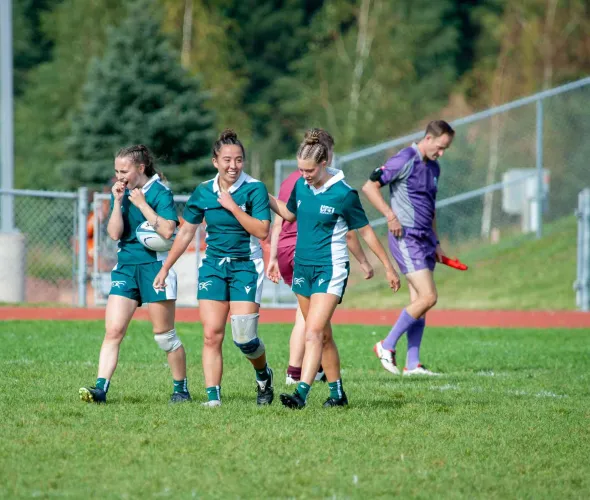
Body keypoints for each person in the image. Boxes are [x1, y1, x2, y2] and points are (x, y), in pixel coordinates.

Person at [269, 130, 401, 409]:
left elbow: (364, 232)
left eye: (310, 170)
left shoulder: (343, 194)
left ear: (325, 162)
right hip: (302, 269)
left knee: (313, 333)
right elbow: (290, 214)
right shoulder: (301, 187)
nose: (304, 175)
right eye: (301, 169)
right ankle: (337, 394)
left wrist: (387, 267)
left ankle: (301, 393)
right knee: (324, 335)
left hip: (330, 270)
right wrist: (264, 195)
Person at [153, 129, 274, 407]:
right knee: (211, 334)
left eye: (239, 160)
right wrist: (165, 267)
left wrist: (233, 207)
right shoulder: (204, 191)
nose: (233, 166)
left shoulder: (254, 188)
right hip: (213, 268)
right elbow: (185, 234)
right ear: (215, 161)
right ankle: (213, 398)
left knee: (244, 337)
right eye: (227, 160)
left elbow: (262, 230)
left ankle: (263, 375)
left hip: (245, 266)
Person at [80, 145, 190, 404]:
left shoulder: (160, 192)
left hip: (155, 268)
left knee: (165, 336)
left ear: (140, 168)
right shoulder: (119, 192)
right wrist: (118, 202)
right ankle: (100, 389)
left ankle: (180, 388)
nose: (119, 176)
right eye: (116, 170)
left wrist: (141, 205)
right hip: (126, 268)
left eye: (124, 170)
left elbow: (167, 231)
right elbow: (115, 234)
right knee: (113, 331)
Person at [361, 120, 455, 376]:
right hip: (406, 237)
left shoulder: (434, 167)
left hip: (425, 240)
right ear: (428, 138)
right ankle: (386, 345)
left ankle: (412, 364)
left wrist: (436, 241)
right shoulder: (405, 158)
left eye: (445, 148)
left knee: (420, 302)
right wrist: (390, 216)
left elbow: (431, 207)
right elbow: (369, 186)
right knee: (429, 297)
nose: (442, 153)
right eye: (440, 147)